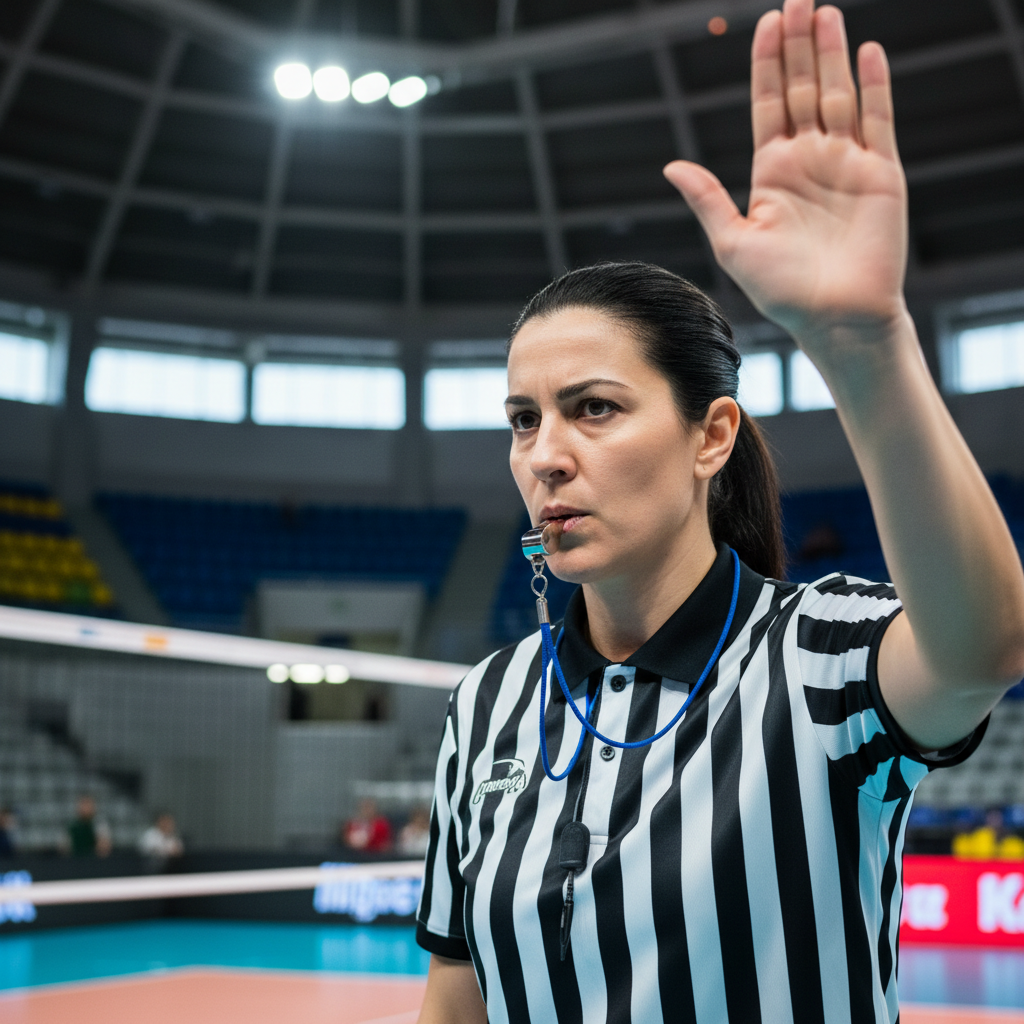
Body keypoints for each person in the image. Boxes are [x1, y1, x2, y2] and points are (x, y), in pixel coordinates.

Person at [414, 3, 1024, 1022]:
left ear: (711, 436)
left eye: (593, 408)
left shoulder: (819, 658)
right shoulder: (485, 706)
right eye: (523, 420)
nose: (545, 453)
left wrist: (862, 340)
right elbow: (456, 989)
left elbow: (983, 645)